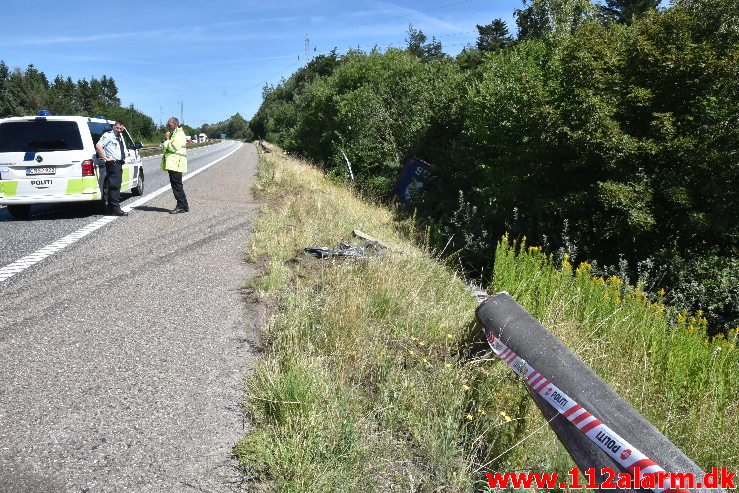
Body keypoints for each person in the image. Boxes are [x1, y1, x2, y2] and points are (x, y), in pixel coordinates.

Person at [95, 120, 129, 216]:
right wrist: (106, 158)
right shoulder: (108, 135)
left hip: (118, 163)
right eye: (117, 128)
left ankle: (111, 207)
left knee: (115, 185)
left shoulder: (119, 136)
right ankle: (115, 209)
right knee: (115, 186)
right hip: (113, 164)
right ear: (114, 126)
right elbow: (99, 146)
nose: (118, 130)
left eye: (121, 129)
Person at [161, 117, 189, 214]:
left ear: (175, 124)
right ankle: (184, 206)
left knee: (177, 186)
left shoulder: (179, 134)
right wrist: (167, 141)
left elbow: (172, 147)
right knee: (177, 185)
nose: (168, 124)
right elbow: (165, 149)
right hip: (173, 164)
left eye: (170, 123)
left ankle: (181, 206)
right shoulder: (174, 134)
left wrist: (167, 139)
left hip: (176, 164)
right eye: (168, 122)